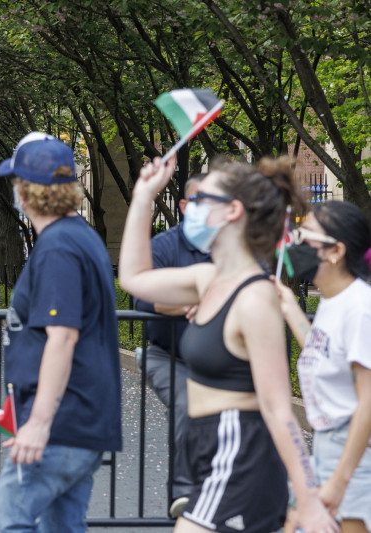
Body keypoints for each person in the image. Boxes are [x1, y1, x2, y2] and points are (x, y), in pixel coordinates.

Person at [119, 155, 339, 533]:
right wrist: (143, 198)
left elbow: (278, 408)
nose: (192, 209)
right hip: (206, 444)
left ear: (232, 211)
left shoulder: (255, 298)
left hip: (239, 445)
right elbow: (135, 278)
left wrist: (308, 501)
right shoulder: (208, 278)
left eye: (202, 200)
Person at [0, 132, 122, 533]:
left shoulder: (59, 246)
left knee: (7, 522)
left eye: (16, 183)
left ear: (27, 192)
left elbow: (62, 336)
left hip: (63, 423)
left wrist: (40, 422)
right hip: (83, 419)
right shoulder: (79, 237)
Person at [275, 201, 371, 533]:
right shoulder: (335, 300)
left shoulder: (359, 307)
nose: (296, 244)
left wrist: (340, 480)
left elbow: (368, 402)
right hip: (328, 449)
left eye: (305, 235)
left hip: (355, 458)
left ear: (335, 251)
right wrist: (288, 307)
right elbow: (321, 349)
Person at [132, 174, 210, 518]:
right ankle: (184, 493)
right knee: (187, 404)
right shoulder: (163, 247)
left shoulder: (234, 247)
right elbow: (145, 300)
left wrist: (179, 296)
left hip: (219, 361)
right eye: (200, 201)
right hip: (168, 356)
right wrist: (192, 302)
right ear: (183, 206)